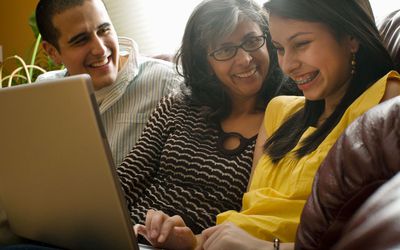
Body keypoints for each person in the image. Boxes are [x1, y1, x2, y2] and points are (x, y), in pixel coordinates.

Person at [135, 0, 400, 249]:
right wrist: (189, 241)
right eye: (280, 49)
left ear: (350, 37)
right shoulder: (280, 110)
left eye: (302, 43)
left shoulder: (388, 98)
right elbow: (251, 217)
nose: (288, 65)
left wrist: (265, 247)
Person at [116, 0, 298, 247]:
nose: (245, 59)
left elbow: (257, 218)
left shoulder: (285, 117)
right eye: (224, 50)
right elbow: (125, 181)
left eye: (251, 41)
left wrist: (188, 241)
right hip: (131, 236)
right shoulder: (178, 104)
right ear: (205, 62)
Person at [35, 0, 182, 167]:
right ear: (52, 52)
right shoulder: (42, 92)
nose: (100, 50)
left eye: (104, 30)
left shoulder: (169, 83)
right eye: (81, 40)